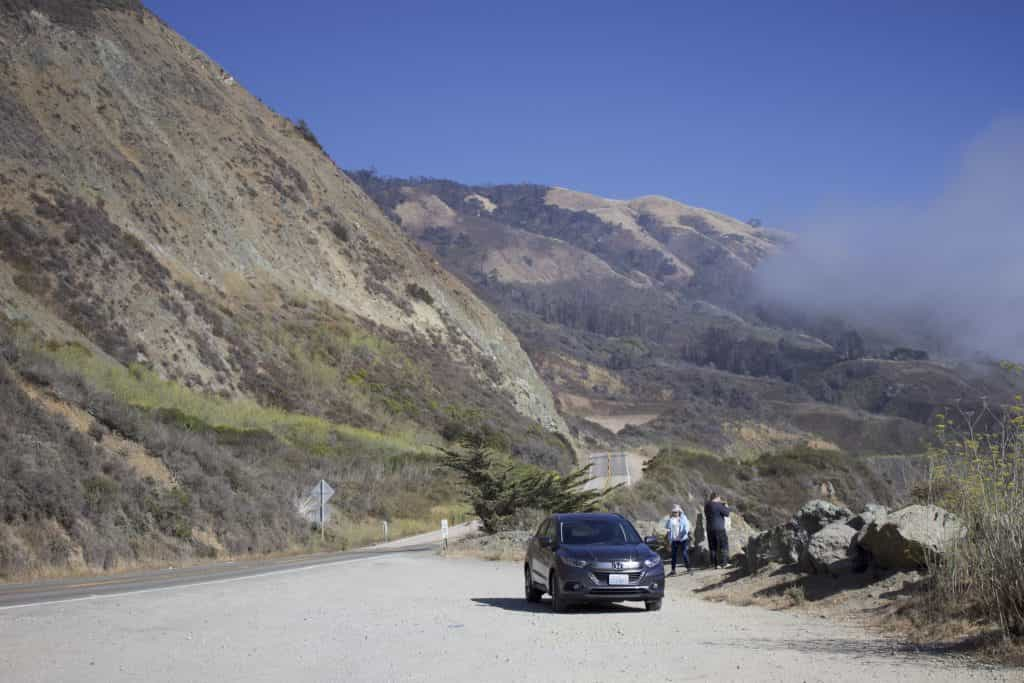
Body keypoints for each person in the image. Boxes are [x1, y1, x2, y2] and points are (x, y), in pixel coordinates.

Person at [704, 492, 731, 569]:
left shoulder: (707, 506)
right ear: (717, 497)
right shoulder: (719, 505)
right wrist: (725, 506)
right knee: (723, 545)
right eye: (719, 498)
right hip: (719, 528)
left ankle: (714, 564)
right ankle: (724, 563)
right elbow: (727, 513)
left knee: (713, 547)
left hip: (709, 529)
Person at [663, 504, 691, 575]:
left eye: (676, 512)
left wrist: (685, 532)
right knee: (673, 555)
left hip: (683, 539)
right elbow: (667, 528)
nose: (675, 513)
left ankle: (689, 568)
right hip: (674, 540)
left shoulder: (683, 518)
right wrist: (668, 540)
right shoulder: (670, 520)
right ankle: (673, 570)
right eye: (674, 512)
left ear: (679, 512)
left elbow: (687, 527)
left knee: (684, 553)